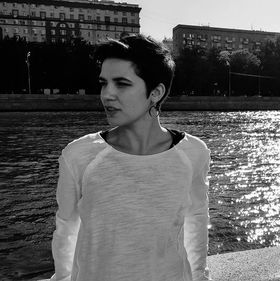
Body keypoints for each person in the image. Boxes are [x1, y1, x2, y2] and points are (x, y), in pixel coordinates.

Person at [50, 34, 211, 281]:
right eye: (104, 83)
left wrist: (199, 278)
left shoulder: (194, 153)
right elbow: (66, 230)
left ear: (155, 92)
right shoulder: (79, 155)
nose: (106, 95)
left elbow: (196, 221)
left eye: (121, 84)